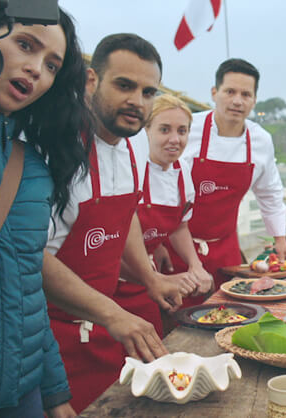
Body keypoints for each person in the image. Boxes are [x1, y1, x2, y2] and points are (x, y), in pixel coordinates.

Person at [43, 33, 183, 413]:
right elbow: (31, 259)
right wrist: (114, 314)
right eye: (124, 85)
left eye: (147, 91)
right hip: (51, 342)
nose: (137, 101)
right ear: (91, 81)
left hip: (105, 329)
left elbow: (124, 221)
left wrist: (150, 278)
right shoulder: (55, 149)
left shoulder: (132, 146)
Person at [0, 9, 87, 418]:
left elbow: (28, 289)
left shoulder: (31, 168)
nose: (35, 70)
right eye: (24, 45)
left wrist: (55, 393)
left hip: (23, 394)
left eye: (51, 67)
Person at [159, 58, 286, 299]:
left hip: (226, 248)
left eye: (245, 94)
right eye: (230, 91)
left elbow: (269, 193)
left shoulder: (260, 140)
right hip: (176, 247)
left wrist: (280, 239)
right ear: (214, 93)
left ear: (254, 100)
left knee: (229, 313)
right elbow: (157, 185)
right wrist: (155, 243)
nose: (237, 101)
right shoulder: (187, 129)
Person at [115, 94, 213, 337]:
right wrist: (153, 278)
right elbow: (118, 239)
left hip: (146, 282)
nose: (175, 139)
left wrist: (195, 264)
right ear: (145, 131)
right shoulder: (128, 169)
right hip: (116, 280)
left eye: (182, 131)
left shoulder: (182, 170)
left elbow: (179, 225)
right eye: (164, 130)